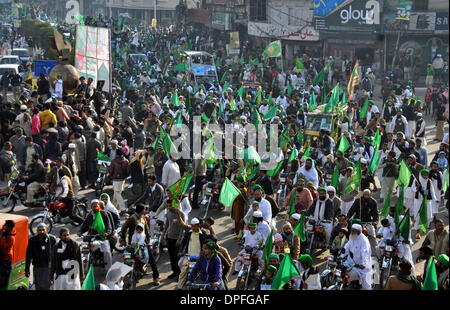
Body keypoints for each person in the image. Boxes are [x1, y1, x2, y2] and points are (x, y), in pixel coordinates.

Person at [77, 199, 113, 271]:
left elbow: (108, 226)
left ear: (99, 206)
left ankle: (109, 270)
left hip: (102, 237)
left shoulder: (104, 214)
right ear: (91, 207)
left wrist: (107, 232)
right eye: (93, 207)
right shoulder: (89, 215)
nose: (95, 208)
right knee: (82, 250)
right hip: (91, 236)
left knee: (107, 252)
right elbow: (85, 225)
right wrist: (80, 231)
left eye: (96, 206)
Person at [177, 217, 207, 289]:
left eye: (195, 226)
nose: (193, 227)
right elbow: (183, 242)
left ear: (199, 225)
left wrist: (202, 255)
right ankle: (180, 287)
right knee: (183, 271)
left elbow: (205, 246)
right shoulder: (188, 232)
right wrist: (180, 251)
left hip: (199, 257)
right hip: (188, 257)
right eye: (192, 226)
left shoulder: (203, 234)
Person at [25, 222, 57, 290]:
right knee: (38, 285)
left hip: (49, 267)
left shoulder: (52, 239)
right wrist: (27, 269)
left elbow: (56, 255)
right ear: (37, 231)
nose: (41, 231)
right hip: (37, 267)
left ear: (46, 229)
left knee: (49, 286)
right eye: (40, 230)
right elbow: (28, 255)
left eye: (43, 229)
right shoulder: (32, 240)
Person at [342, 224, 373, 290]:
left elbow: (365, 253)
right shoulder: (352, 237)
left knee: (366, 287)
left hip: (361, 267)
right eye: (351, 230)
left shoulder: (364, 241)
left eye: (353, 231)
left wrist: (364, 264)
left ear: (359, 232)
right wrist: (341, 256)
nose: (351, 232)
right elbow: (346, 247)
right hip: (350, 264)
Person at [108, 148, 130, 214]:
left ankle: (123, 208)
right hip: (122, 179)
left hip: (115, 179)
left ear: (116, 153)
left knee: (117, 193)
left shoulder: (113, 161)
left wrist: (110, 174)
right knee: (116, 194)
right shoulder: (126, 161)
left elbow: (111, 171)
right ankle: (112, 208)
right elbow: (128, 172)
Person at [0, 220, 15, 289]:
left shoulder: (11, 238)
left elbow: (3, 246)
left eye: (5, 225)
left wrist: (2, 237)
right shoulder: (4, 233)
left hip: (6, 258)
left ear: (8, 227)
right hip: (3, 257)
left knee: (4, 274)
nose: (4, 225)